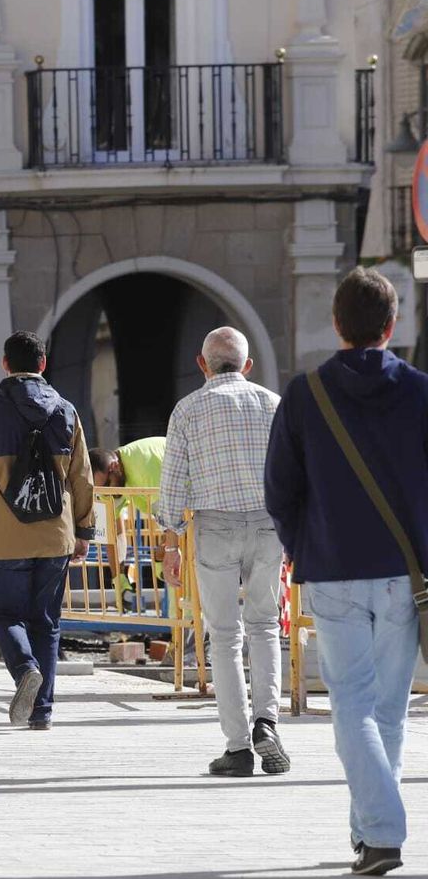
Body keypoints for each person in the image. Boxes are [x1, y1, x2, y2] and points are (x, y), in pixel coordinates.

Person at [265, 266, 428, 877]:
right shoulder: (419, 392)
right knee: (388, 709)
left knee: (353, 706)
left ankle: (379, 832)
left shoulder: (306, 395)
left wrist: (304, 545)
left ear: (337, 325)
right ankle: (371, 832)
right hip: (405, 576)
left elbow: (279, 490)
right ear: (392, 325)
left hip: (333, 570)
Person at [155, 327, 285, 777]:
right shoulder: (273, 404)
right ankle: (267, 721)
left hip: (215, 526)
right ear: (247, 366)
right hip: (269, 524)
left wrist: (169, 540)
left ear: (202, 364)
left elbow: (173, 482)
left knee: (225, 636)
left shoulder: (188, 409)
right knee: (266, 626)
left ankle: (237, 747)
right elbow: (293, 474)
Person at [0, 331, 95, 730]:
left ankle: (25, 668)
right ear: (43, 364)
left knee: (5, 613)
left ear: (5, 364)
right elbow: (82, 476)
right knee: (46, 621)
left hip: (6, 534)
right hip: (56, 534)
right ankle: (42, 712)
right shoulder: (66, 411)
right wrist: (84, 530)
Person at [89, 436, 166, 590]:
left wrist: (161, 556)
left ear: (115, 466)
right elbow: (115, 533)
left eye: (107, 485)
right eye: (102, 491)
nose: (108, 494)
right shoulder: (111, 483)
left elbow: (173, 519)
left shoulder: (143, 467)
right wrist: (119, 578)